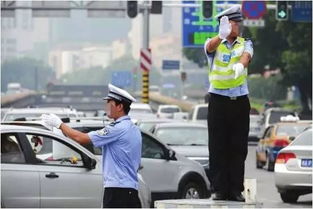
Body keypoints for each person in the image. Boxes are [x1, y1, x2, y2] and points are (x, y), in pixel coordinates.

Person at [41, 84, 142, 208]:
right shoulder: (133, 128)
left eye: (109, 104)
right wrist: (60, 130)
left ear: (120, 106)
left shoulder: (117, 129)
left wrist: (59, 124)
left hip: (118, 191)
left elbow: (81, 138)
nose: (106, 107)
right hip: (130, 189)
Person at [204, 5, 253, 202]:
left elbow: (247, 55)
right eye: (234, 23)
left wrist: (241, 65)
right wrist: (220, 36)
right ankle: (219, 189)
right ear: (225, 24)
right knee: (217, 146)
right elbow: (209, 48)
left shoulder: (245, 42)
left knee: (238, 147)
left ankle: (235, 189)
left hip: (239, 101)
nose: (238, 26)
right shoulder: (214, 44)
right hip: (218, 101)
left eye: (238, 22)